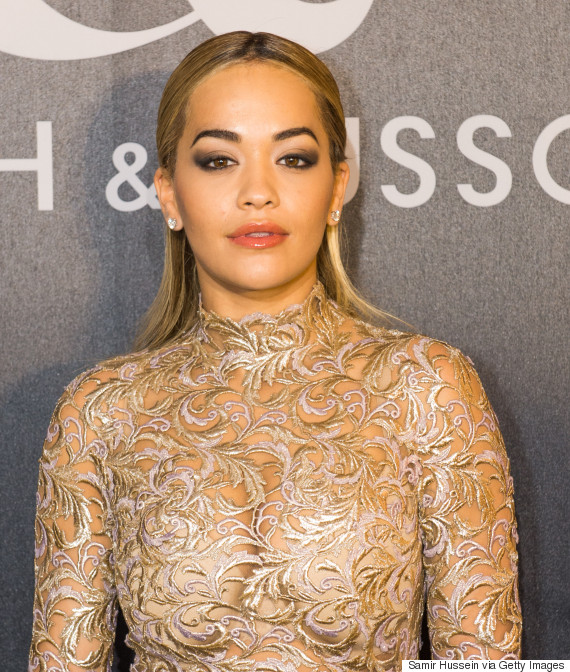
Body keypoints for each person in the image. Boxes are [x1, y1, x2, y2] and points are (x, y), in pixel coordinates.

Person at [29, 31, 521, 672]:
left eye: (293, 158)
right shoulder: (100, 413)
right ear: (169, 194)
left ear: (337, 188)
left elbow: (485, 661)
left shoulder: (426, 387)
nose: (257, 191)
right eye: (218, 160)